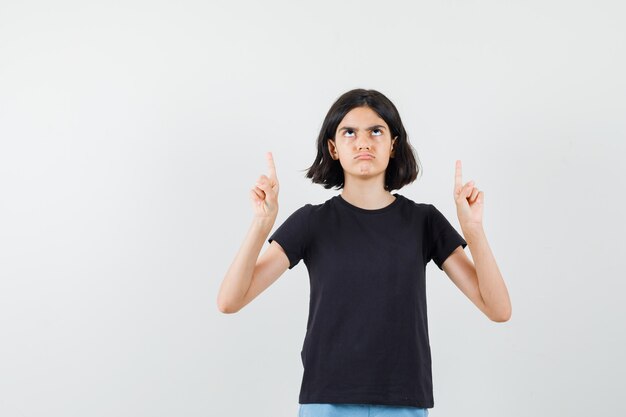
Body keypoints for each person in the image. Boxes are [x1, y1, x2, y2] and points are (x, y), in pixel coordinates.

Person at [217, 88, 512, 417]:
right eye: (349, 132)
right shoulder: (312, 222)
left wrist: (474, 231)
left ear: (393, 144)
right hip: (326, 401)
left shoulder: (423, 221)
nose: (363, 142)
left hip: (404, 402)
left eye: (376, 131)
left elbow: (498, 309)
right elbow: (230, 300)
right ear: (333, 147)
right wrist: (261, 224)